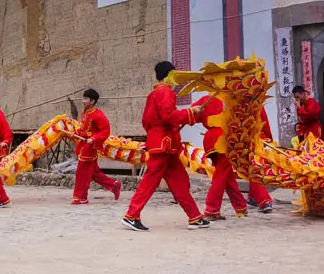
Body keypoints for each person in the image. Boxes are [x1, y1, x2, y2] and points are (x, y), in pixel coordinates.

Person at [122, 61, 209, 232]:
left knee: (179, 181)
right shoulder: (165, 92)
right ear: (169, 74)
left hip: (163, 143)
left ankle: (194, 217)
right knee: (150, 181)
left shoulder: (155, 93)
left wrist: (155, 136)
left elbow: (147, 121)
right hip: (164, 144)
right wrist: (191, 113)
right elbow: (169, 116)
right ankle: (131, 215)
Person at [191, 95, 248, 220]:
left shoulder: (206, 98)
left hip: (210, 138)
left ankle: (240, 207)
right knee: (221, 175)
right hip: (223, 139)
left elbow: (192, 113)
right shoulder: (230, 99)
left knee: (227, 175)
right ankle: (211, 209)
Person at [71, 88, 121, 205]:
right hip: (84, 144)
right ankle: (114, 186)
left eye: (85, 99)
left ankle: (81, 197)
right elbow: (84, 129)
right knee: (93, 172)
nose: (83, 101)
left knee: (82, 171)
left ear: (92, 101)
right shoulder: (85, 113)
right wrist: (77, 133)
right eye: (83, 98)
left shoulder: (98, 115)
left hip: (91, 147)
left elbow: (105, 131)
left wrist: (93, 139)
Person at [246, 108, 274, 213]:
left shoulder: (237, 102)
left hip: (246, 141)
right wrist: (269, 139)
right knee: (253, 168)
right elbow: (265, 123)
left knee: (253, 169)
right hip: (259, 141)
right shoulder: (258, 103)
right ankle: (252, 198)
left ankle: (264, 200)